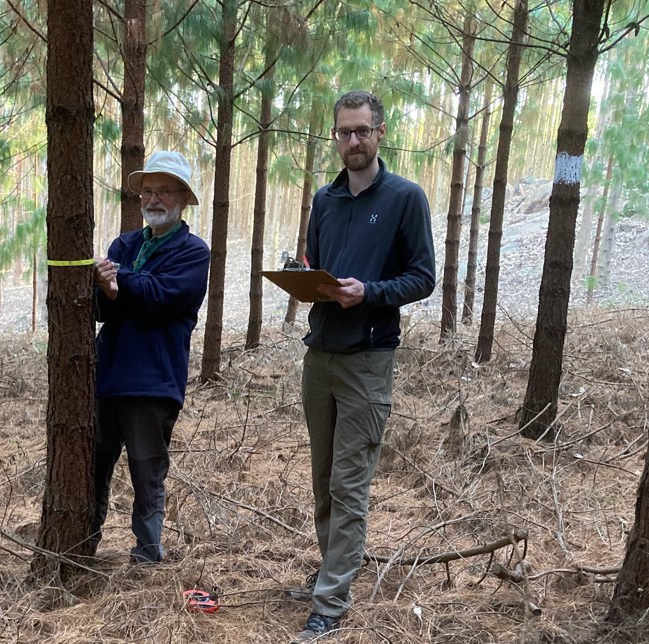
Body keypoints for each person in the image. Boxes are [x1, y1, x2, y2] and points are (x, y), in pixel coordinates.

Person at [290, 91, 436, 642]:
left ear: (380, 132)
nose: (352, 142)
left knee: (351, 483)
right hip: (320, 353)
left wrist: (369, 292)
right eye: (343, 133)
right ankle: (333, 571)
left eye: (362, 131)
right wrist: (305, 279)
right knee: (324, 478)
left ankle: (330, 601)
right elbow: (317, 263)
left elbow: (423, 277)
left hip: (368, 359)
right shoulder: (325, 200)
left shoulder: (404, 198)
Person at [90, 150, 210, 564]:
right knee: (91, 469)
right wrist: (108, 291)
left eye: (164, 191)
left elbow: (162, 297)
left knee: (147, 475)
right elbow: (103, 307)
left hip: (153, 382)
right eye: (147, 192)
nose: (154, 200)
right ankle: (80, 550)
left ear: (182, 198)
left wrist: (118, 282)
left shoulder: (193, 253)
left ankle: (146, 558)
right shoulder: (122, 244)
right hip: (107, 376)